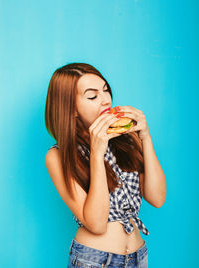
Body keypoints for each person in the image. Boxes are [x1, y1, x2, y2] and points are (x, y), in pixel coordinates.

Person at [45, 62, 166, 268]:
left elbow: (157, 198)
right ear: (70, 109)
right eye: (92, 96)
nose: (106, 100)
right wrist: (97, 152)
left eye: (105, 90)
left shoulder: (125, 138)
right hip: (95, 260)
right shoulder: (58, 156)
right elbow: (97, 224)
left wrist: (145, 136)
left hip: (138, 257)